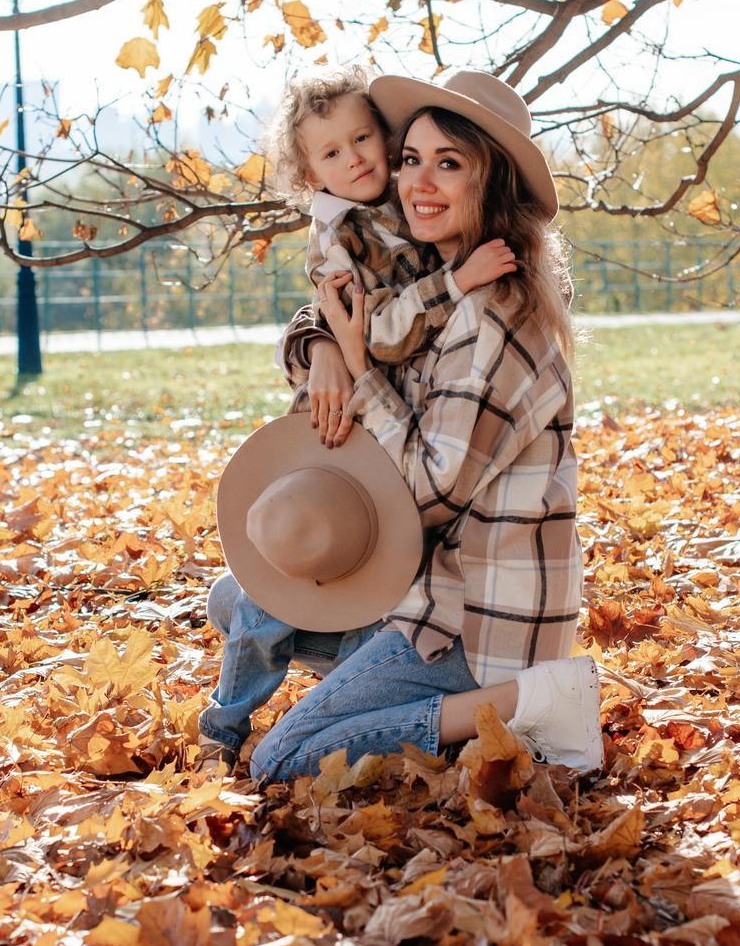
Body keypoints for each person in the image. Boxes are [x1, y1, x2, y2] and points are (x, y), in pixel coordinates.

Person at [229, 69, 601, 782]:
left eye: (448, 164)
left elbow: (428, 492)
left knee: (282, 758)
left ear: (490, 185)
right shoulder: (437, 269)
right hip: (428, 585)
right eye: (410, 160)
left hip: (477, 623)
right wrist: (323, 348)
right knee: (242, 598)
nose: (416, 182)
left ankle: (526, 703)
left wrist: (361, 370)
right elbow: (344, 309)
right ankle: (389, 705)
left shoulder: (496, 312)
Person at [263, 65, 516, 368]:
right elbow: (377, 339)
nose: (354, 160)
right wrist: (459, 280)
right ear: (312, 177)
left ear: (385, 136)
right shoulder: (338, 242)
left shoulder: (409, 195)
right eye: (332, 154)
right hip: (371, 401)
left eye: (361, 138)